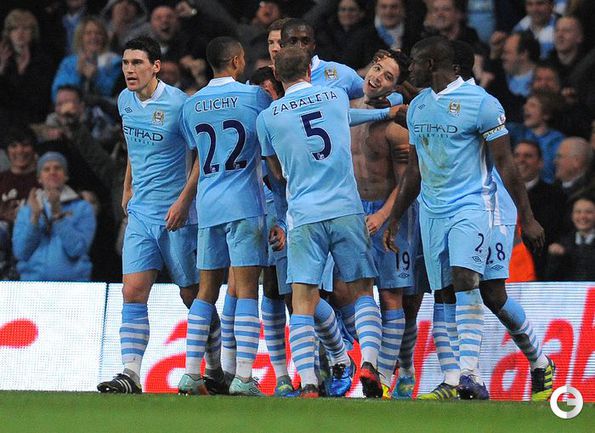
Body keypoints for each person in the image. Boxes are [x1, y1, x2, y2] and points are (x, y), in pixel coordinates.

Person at [384, 36, 544, 400]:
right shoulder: (419, 107)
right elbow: (415, 169)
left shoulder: (482, 104)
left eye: (415, 62)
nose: (410, 69)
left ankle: (471, 376)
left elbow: (505, 163)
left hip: (474, 206)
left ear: (433, 64)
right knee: (447, 293)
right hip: (432, 210)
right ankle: (454, 378)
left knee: (468, 282)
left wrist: (527, 217)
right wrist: (395, 216)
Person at [257, 46, 383, 398]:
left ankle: (310, 381)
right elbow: (352, 117)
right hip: (346, 208)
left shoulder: (267, 117)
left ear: (277, 75)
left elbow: (275, 172)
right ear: (309, 71)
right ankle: (369, 362)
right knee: (361, 291)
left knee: (302, 300)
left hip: (304, 215)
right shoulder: (335, 96)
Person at [97, 36, 202, 394]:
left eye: (137, 63)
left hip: (177, 216)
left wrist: (185, 201)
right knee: (132, 291)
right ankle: (130, 373)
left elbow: (201, 156)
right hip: (141, 213)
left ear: (156, 66)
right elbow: (133, 146)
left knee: (192, 296)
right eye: (126, 63)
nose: (129, 70)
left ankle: (215, 367)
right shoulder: (125, 100)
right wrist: (128, 186)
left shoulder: (180, 104)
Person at [177, 37, 269, 397]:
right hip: (244, 203)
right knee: (246, 291)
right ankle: (243, 377)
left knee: (205, 291)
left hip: (208, 205)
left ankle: (190, 373)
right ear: (236, 60)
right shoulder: (254, 97)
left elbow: (197, 155)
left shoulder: (191, 105)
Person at [348, 48, 415, 398]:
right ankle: (368, 365)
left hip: (390, 216)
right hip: (353, 212)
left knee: (391, 296)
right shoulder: (347, 110)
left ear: (395, 87)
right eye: (377, 68)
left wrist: (383, 216)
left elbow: (406, 183)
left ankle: (384, 377)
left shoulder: (395, 129)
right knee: (355, 292)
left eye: (388, 76)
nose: (377, 77)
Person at [12, 151, 95, 281]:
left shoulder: (83, 208)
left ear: (66, 176)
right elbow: (21, 253)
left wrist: (58, 215)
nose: (52, 172)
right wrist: (35, 218)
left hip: (73, 286)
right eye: (46, 169)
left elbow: (77, 250)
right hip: (33, 285)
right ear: (39, 178)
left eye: (57, 168)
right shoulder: (27, 210)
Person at [513, 140, 566, 279]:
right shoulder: (496, 194)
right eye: (517, 155)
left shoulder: (556, 195)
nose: (521, 160)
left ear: (540, 163)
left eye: (528, 156)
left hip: (540, 269)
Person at [0, 9, 54, 125]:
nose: (20, 33)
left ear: (32, 33)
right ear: (8, 33)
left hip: (32, 121)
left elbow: (38, 101)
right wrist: (1, 69)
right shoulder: (4, 59)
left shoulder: (42, 61)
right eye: (15, 28)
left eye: (25, 28)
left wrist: (23, 72)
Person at [51, 16, 121, 102]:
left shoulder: (115, 62)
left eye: (98, 33)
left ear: (104, 37)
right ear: (81, 37)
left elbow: (113, 91)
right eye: (88, 33)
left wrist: (96, 77)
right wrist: (78, 74)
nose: (93, 37)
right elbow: (56, 93)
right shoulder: (69, 63)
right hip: (72, 106)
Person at [0, 126, 40, 279]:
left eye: (25, 145)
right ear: (7, 151)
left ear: (34, 149)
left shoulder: (44, 179)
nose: (20, 150)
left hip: (33, 245)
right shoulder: (1, 179)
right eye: (14, 146)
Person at [547, 194, 595, 280]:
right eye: (578, 212)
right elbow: (551, 277)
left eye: (588, 212)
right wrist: (555, 258)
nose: (583, 216)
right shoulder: (561, 244)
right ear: (572, 216)